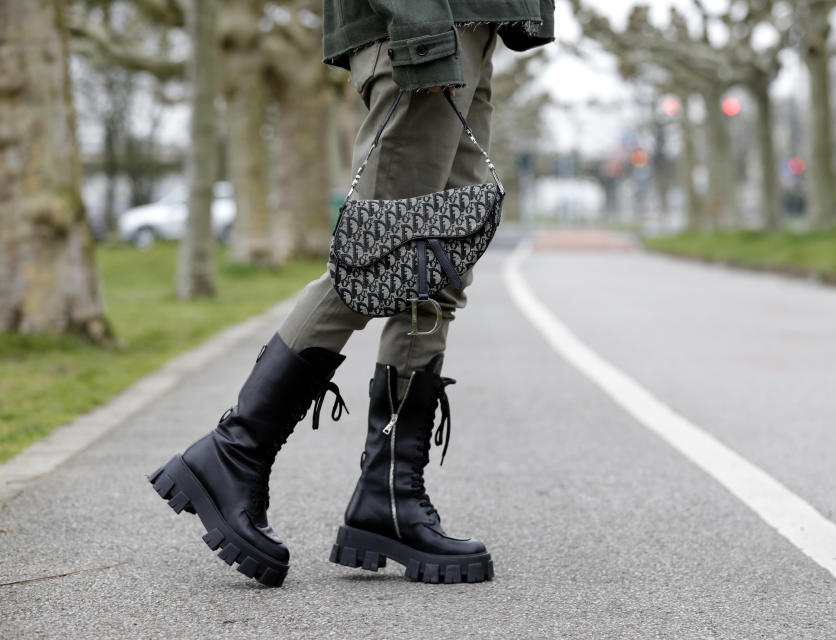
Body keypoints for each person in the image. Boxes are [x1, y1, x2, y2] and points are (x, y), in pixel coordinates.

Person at [147, 1, 554, 587]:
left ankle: (388, 496)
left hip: (472, 25)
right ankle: (234, 452)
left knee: (434, 271)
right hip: (427, 23)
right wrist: (417, 17)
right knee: (378, 258)